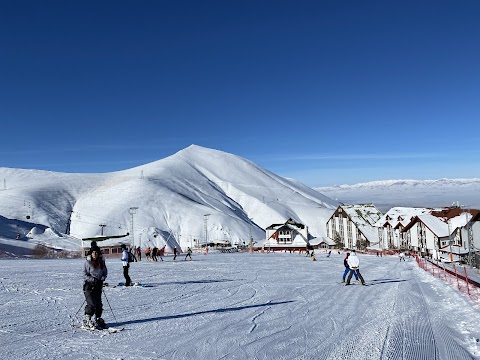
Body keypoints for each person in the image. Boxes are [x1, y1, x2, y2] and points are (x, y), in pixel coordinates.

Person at [83, 249, 108, 329]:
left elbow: (105, 272)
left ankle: (97, 318)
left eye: (96, 252)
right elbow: (84, 274)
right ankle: (87, 319)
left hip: (98, 285)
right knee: (91, 303)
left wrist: (102, 279)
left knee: (98, 303)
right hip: (89, 285)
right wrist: (93, 280)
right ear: (91, 253)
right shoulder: (87, 262)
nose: (95, 253)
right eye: (93, 252)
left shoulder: (102, 262)